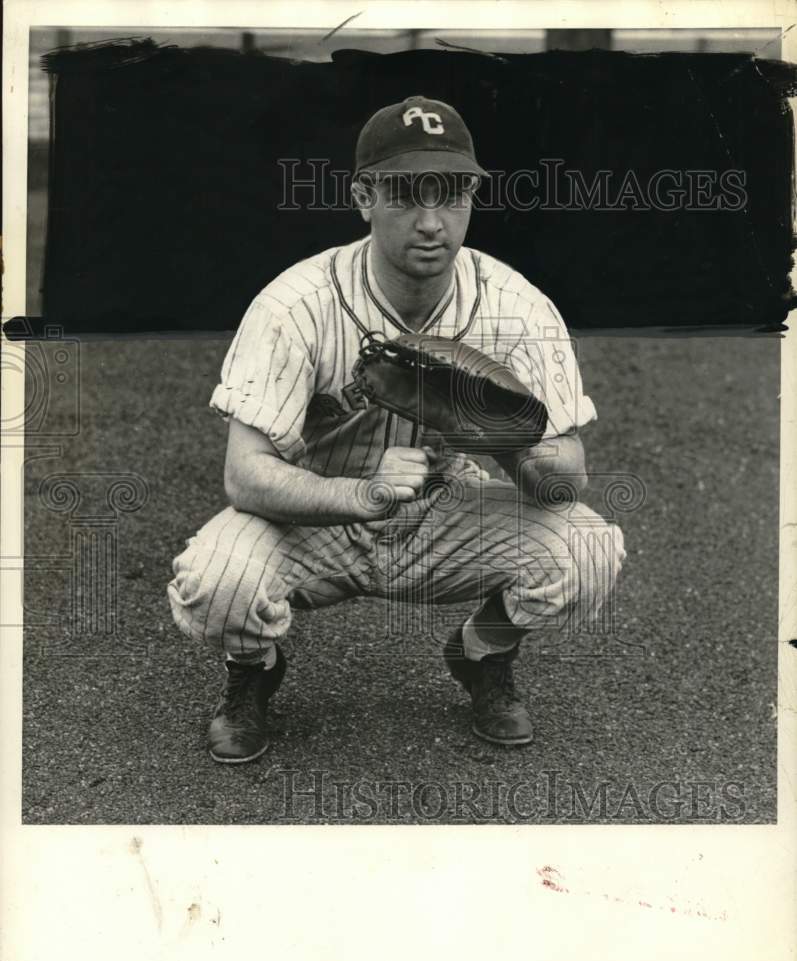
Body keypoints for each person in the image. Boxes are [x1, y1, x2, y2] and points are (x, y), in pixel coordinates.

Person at [167, 95, 625, 764]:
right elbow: (244, 473)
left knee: (586, 550)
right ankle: (252, 672)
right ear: (363, 196)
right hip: (315, 521)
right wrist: (362, 495)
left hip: (446, 515)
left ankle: (480, 654)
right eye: (407, 196)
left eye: (451, 196)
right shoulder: (296, 304)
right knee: (220, 577)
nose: (432, 223)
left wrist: (484, 428)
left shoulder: (517, 308)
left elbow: (561, 483)